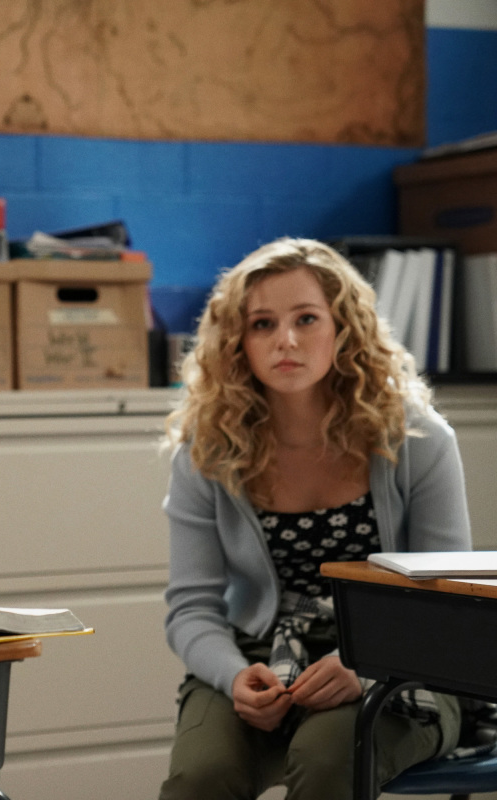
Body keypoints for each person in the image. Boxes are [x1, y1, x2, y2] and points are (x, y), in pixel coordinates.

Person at [158, 238, 469, 799]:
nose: (287, 341)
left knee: (326, 760)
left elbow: (445, 599)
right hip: (255, 651)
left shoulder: (420, 440)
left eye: (306, 318)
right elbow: (191, 608)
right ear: (236, 342)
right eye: (262, 325)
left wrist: (362, 661)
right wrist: (233, 676)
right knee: (199, 778)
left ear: (343, 327)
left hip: (400, 656)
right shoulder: (206, 453)